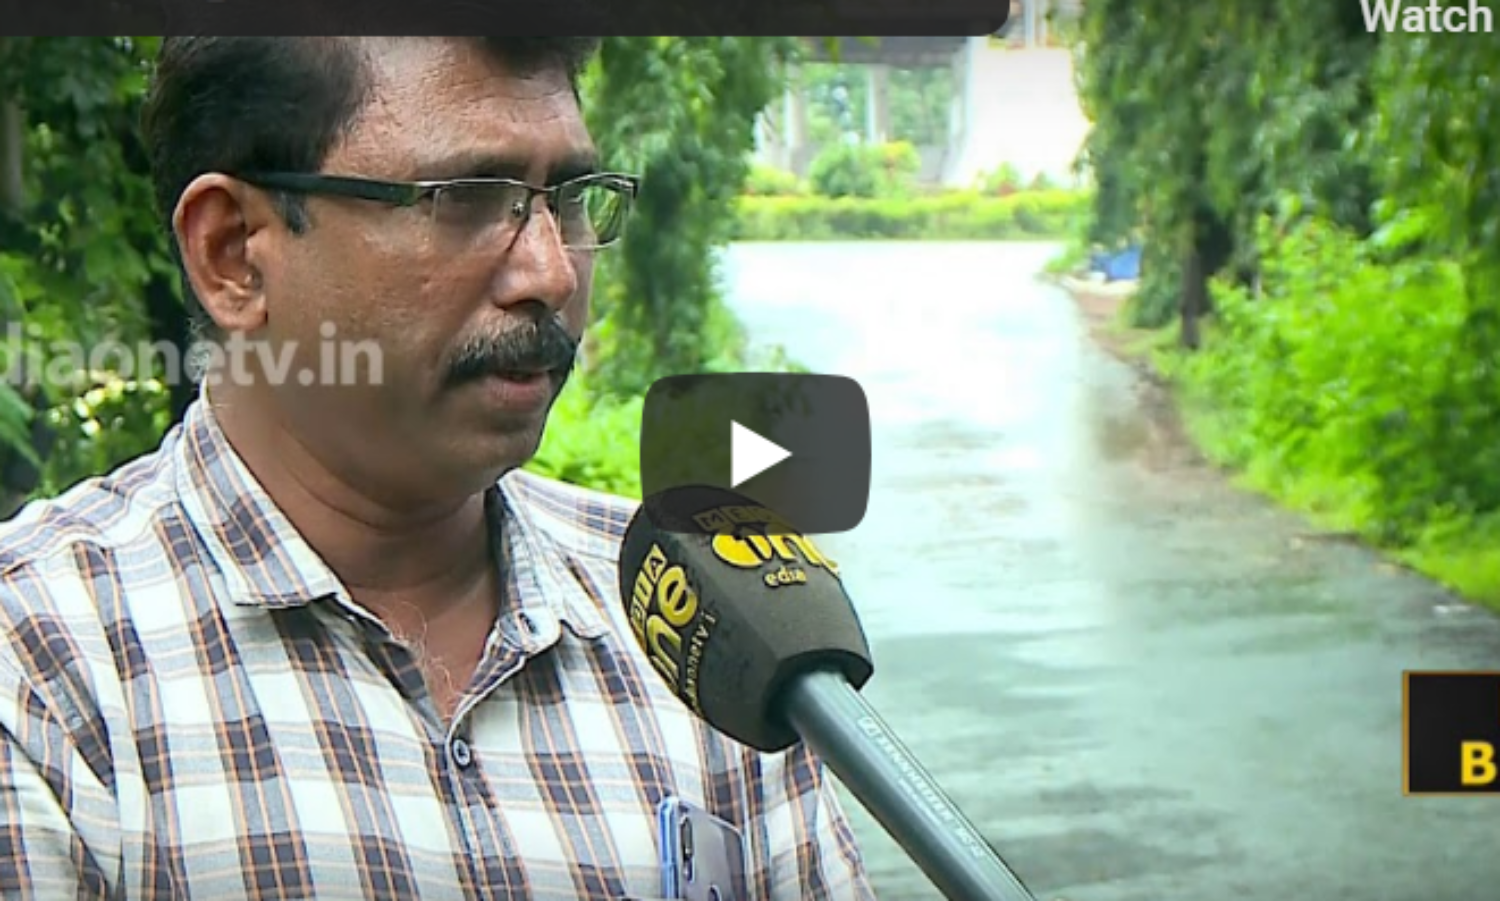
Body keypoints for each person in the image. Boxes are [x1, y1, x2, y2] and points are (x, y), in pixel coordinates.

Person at [0, 37, 876, 900]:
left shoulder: (702, 616)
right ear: (233, 254)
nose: (551, 274)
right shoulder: (44, 666)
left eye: (571, 200)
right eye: (467, 200)